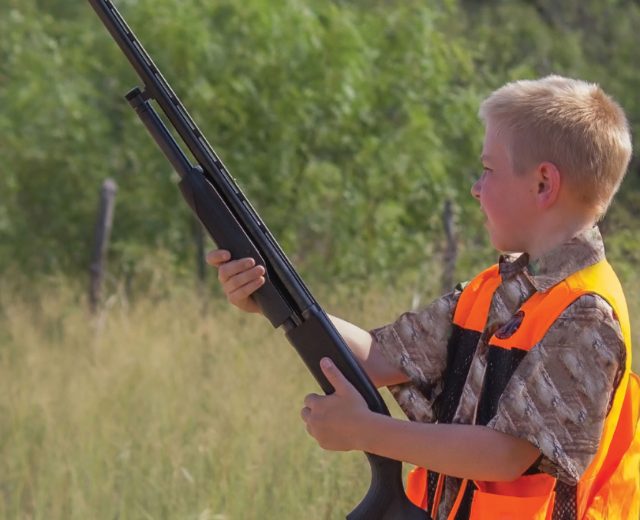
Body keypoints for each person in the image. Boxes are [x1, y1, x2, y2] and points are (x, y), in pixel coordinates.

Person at [206, 75, 639, 519]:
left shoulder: (587, 313)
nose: (476, 187)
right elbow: (377, 357)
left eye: (488, 170)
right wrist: (268, 295)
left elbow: (505, 455)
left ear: (544, 183)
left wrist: (367, 431)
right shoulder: (494, 289)